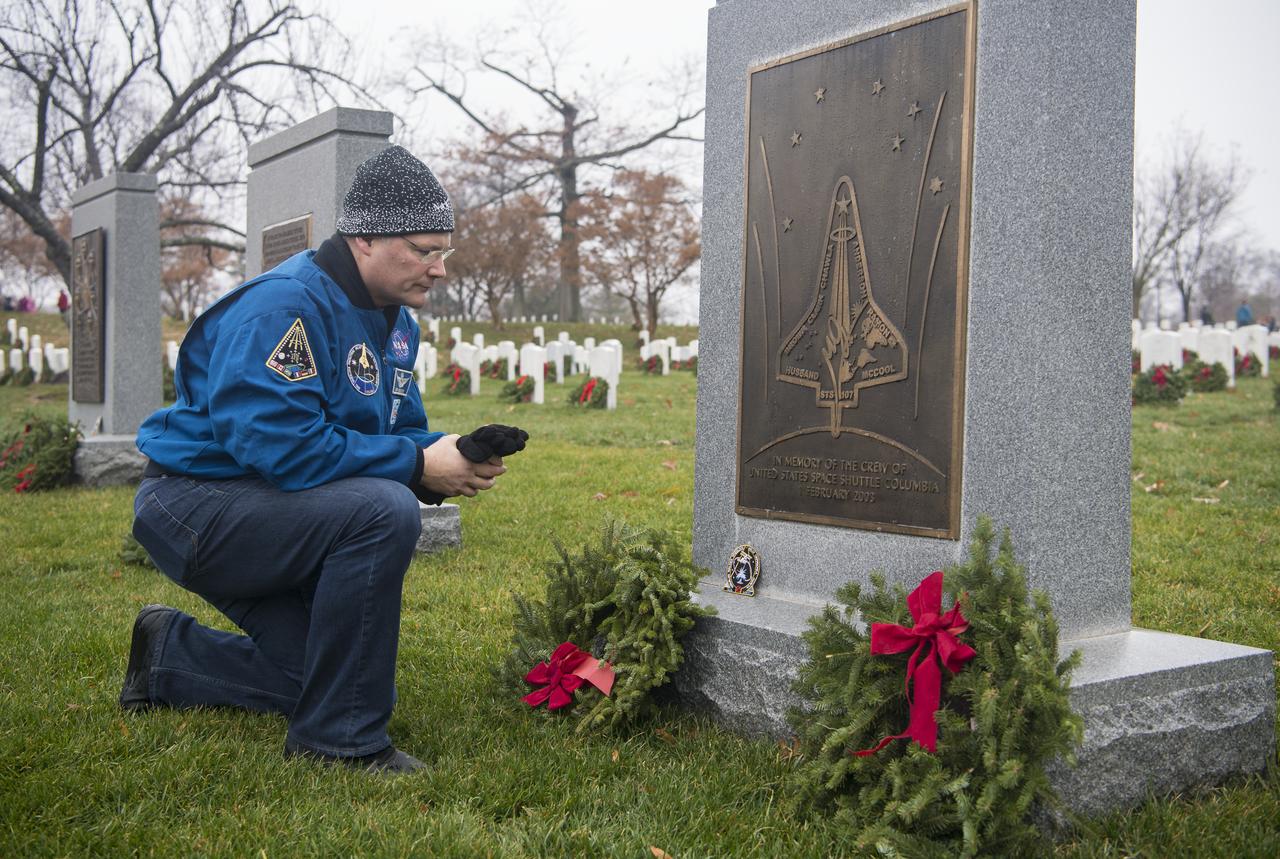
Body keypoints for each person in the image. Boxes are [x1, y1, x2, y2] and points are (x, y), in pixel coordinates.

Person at [122, 146, 525, 774]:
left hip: (275, 505)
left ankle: (168, 653)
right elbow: (282, 447)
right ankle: (340, 743)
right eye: (424, 250)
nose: (440, 269)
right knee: (382, 509)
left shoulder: (395, 323)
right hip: (196, 503)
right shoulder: (284, 307)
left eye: (444, 251)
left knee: (340, 680)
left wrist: (452, 453)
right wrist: (416, 469)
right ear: (364, 239)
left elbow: (399, 430)